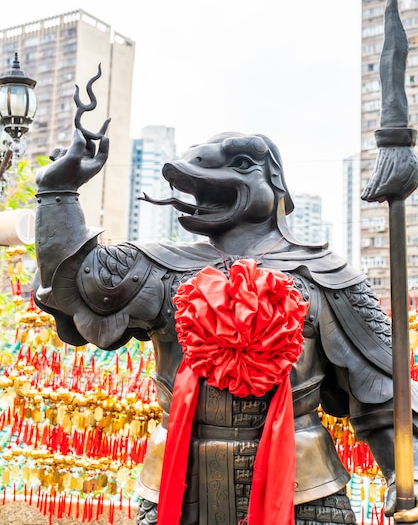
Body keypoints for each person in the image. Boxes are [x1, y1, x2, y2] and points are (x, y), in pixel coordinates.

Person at [34, 123, 418, 525]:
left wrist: (402, 474)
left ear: (275, 184)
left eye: (239, 165)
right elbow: (75, 283)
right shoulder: (158, 267)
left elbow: (382, 394)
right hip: (177, 485)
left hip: (304, 486)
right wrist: (57, 193)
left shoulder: (327, 276)